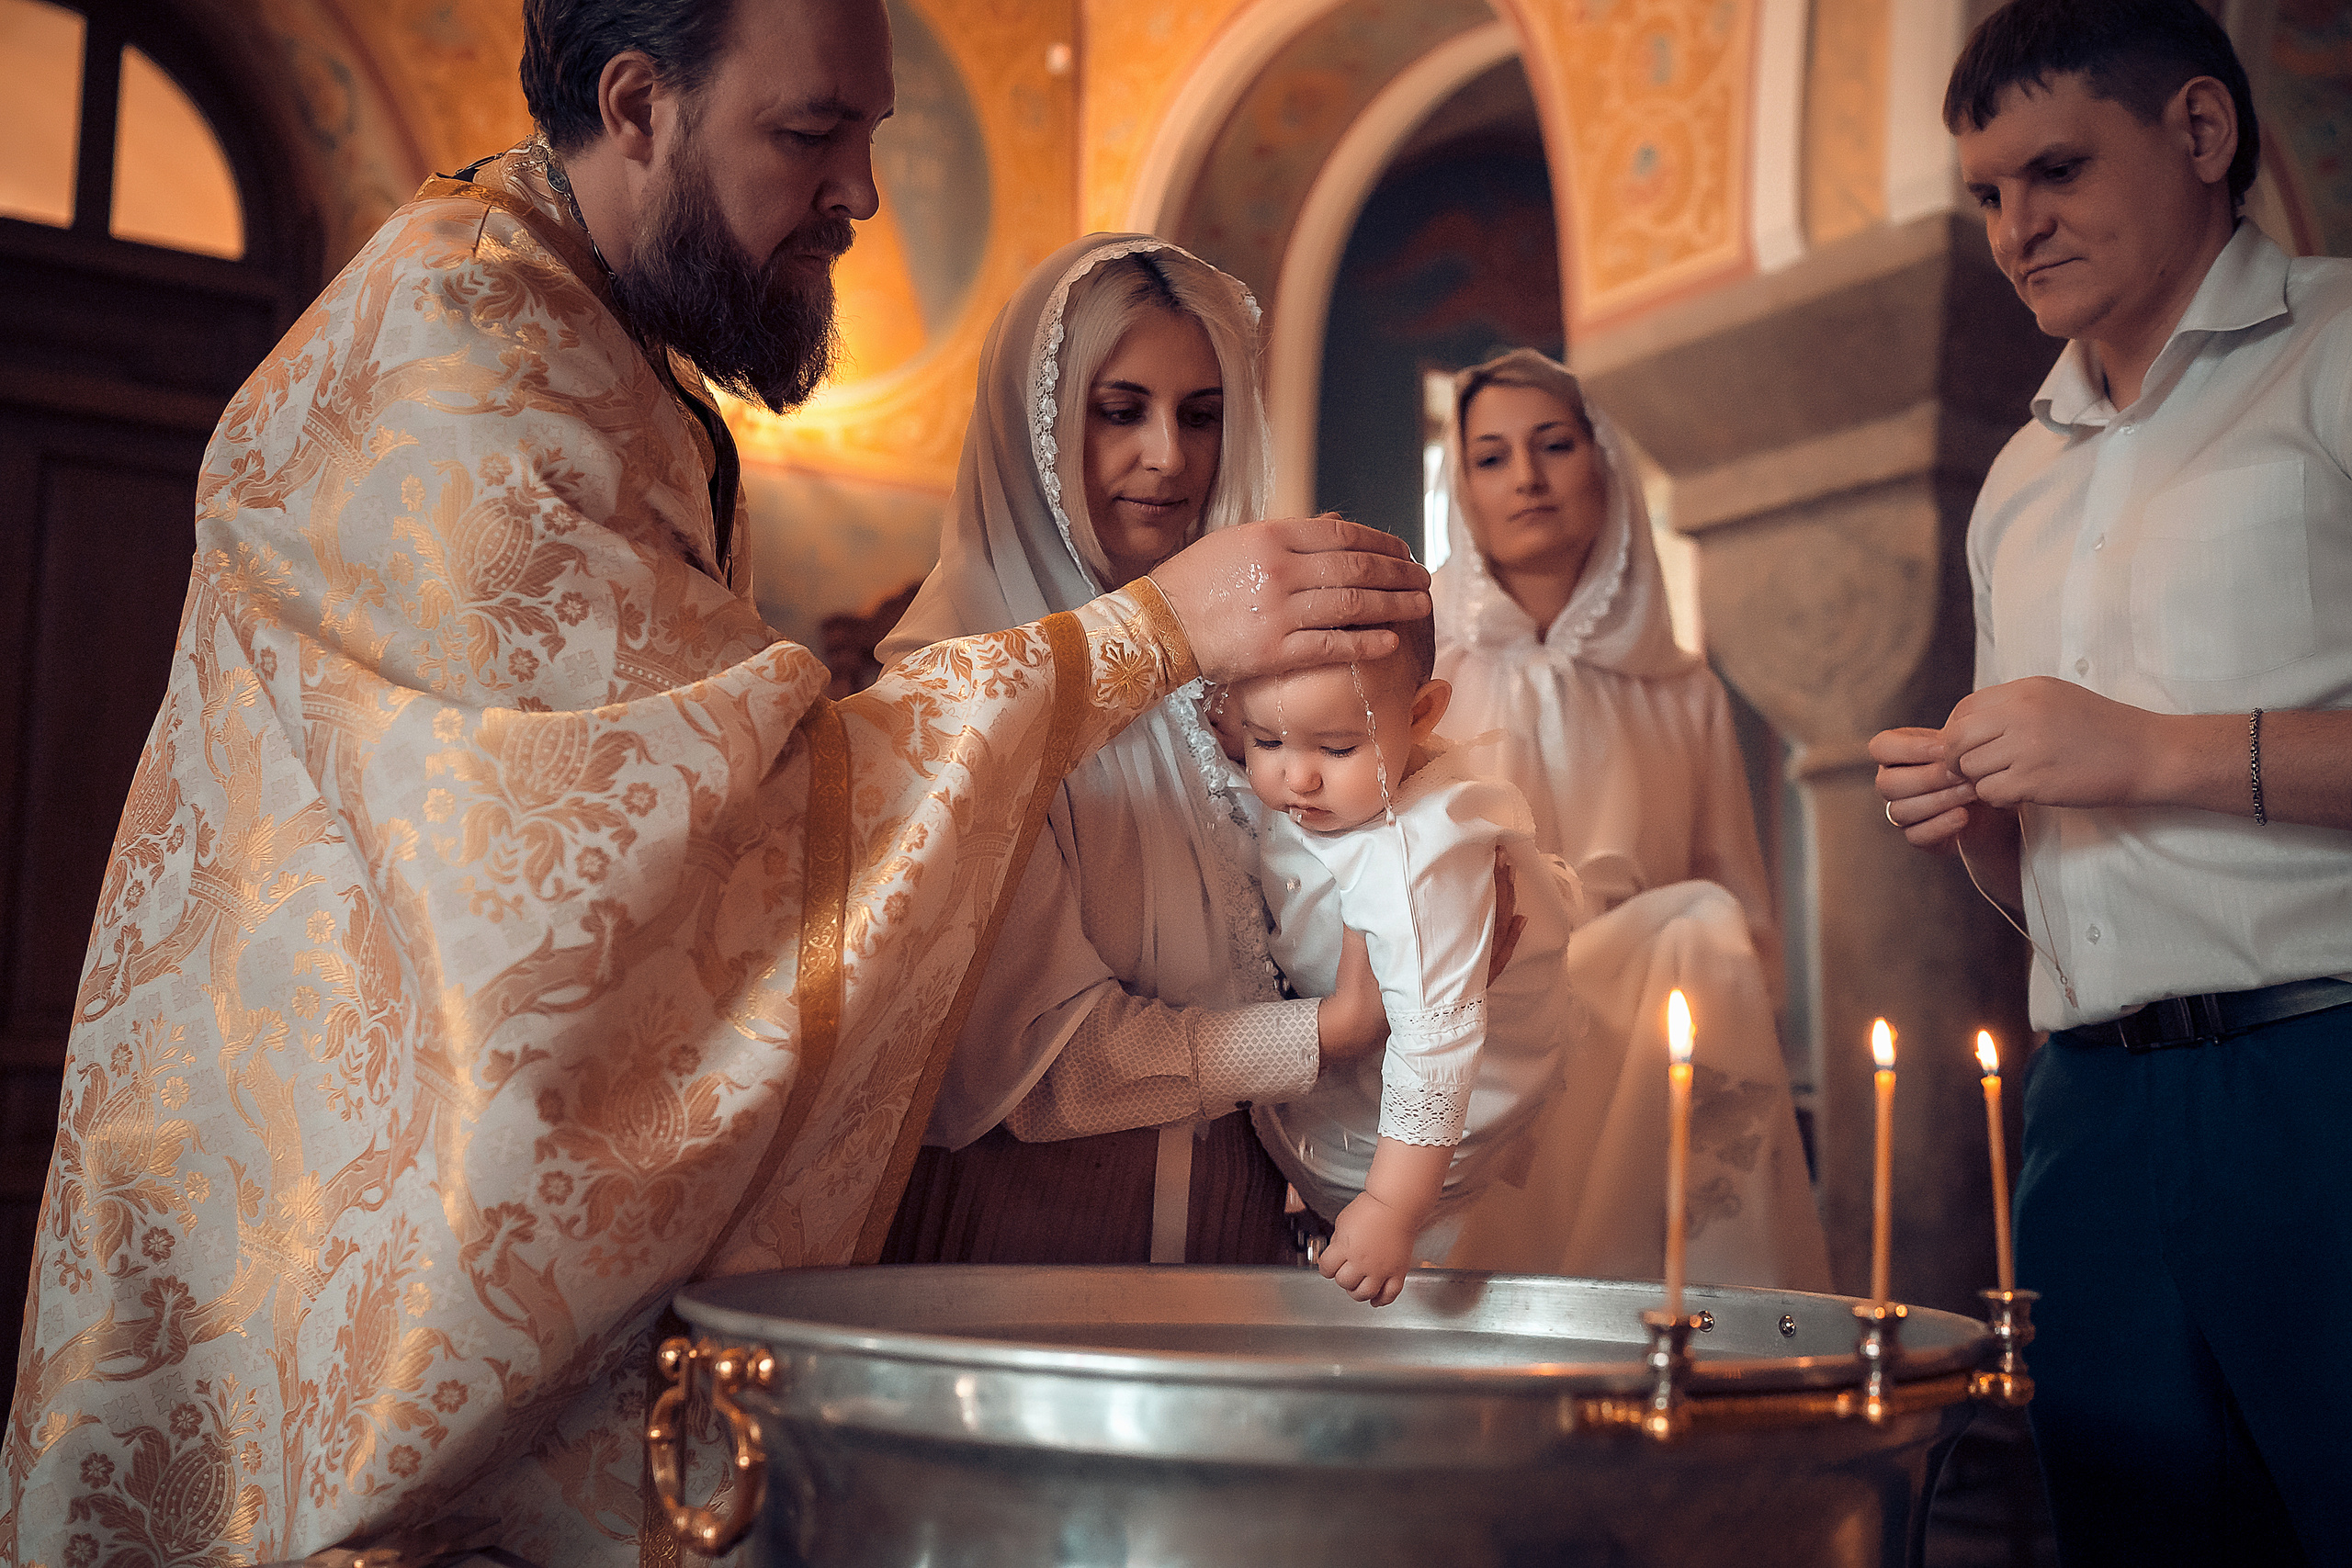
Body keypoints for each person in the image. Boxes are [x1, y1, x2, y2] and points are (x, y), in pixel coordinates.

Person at [0, 2, 1431, 1561]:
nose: (862, 193)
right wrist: (1139, 641)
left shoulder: (577, 341)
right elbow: (682, 855)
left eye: (869, 136)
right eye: (813, 133)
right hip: (346, 1291)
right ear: (638, 105)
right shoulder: (462, 369)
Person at [1873, 2, 2352, 1561]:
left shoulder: (2341, 350)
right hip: (2087, 1115)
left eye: (2056, 170)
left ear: (2203, 135)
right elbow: (2044, 888)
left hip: (2321, 1069)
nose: (2016, 229)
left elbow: (2129, 760)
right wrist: (1984, 818)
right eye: (1988, 195)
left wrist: (2146, 750)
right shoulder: (2019, 479)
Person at [875, 235, 1406, 1268]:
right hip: (1036, 1247)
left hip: (1246, 1232)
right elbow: (1034, 1065)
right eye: (1120, 412)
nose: (1169, 456)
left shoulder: (1241, 686)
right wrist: (1325, 1034)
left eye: (1200, 415)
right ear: (1033, 432)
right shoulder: (952, 691)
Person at [1428, 349, 1829, 1292]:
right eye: (1490, 457)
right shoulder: (1417, 668)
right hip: (1477, 1038)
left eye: (1554, 445)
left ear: (1602, 461)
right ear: (1461, 487)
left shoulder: (1678, 687)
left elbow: (1733, 895)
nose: (1526, 477)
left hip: (1646, 1043)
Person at [1227, 624, 1586, 1306]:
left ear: (1421, 715)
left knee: (1430, 1274)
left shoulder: (1417, 861)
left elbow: (1435, 1046)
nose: (1295, 775)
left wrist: (1392, 1207)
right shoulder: (1342, 781)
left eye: (1335, 746)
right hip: (1363, 1060)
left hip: (1426, 1134)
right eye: (1265, 740)